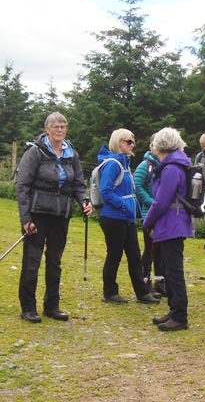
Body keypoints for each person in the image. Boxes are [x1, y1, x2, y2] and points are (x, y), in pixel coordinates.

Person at [16, 112, 93, 323]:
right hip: (37, 214)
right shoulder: (34, 152)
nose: (60, 130)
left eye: (63, 126)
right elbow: (22, 187)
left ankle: (52, 306)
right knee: (32, 262)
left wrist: (84, 202)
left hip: (61, 214)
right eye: (56, 126)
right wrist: (25, 218)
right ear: (47, 128)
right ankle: (28, 307)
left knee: (55, 260)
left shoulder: (71, 153)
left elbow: (78, 184)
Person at [97, 129, 159, 305]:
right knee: (114, 255)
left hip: (127, 218)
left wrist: (132, 211)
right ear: (118, 143)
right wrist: (124, 206)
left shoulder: (125, 163)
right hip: (114, 218)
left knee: (134, 255)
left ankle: (142, 292)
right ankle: (109, 292)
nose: (133, 145)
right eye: (128, 141)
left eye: (133, 141)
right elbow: (106, 191)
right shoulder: (113, 164)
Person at [144, 128, 194, 331]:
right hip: (172, 222)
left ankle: (180, 316)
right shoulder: (173, 164)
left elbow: (161, 201)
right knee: (169, 269)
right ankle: (174, 311)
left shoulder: (171, 168)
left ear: (160, 145)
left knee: (174, 271)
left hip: (172, 223)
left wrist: (147, 222)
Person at [134, 134, 164, 298]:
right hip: (149, 214)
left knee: (160, 250)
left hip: (162, 213)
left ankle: (160, 282)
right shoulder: (144, 165)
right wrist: (152, 202)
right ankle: (145, 282)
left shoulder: (163, 165)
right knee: (150, 250)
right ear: (151, 146)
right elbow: (137, 186)